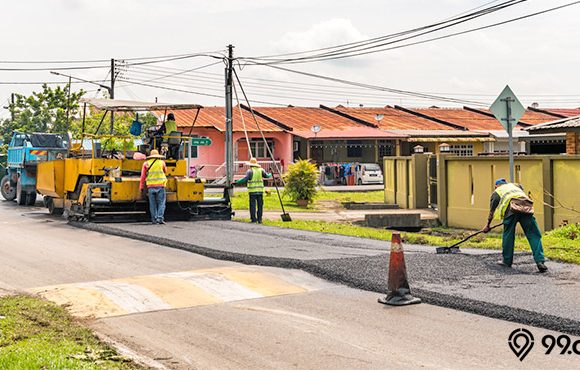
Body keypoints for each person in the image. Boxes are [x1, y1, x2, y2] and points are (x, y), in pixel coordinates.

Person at [483, 178, 547, 273]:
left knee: (508, 235)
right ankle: (540, 261)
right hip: (526, 208)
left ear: (496, 186)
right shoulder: (515, 186)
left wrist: (487, 225)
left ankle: (507, 261)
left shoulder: (497, 192)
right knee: (534, 234)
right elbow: (522, 188)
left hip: (511, 212)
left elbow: (492, 211)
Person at [232, 158, 272, 223]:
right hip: (260, 191)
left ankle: (253, 219)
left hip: (252, 191)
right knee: (260, 206)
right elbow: (267, 176)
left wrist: (236, 182)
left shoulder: (250, 171)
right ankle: (260, 219)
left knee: (252, 206)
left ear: (250, 165)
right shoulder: (261, 170)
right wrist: (271, 173)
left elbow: (245, 179)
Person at [139, 149, 168, 224]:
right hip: (161, 185)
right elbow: (165, 171)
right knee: (161, 203)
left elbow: (143, 176)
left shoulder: (146, 163)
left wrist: (141, 187)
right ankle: (160, 218)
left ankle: (154, 219)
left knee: (152, 204)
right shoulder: (162, 163)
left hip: (150, 186)